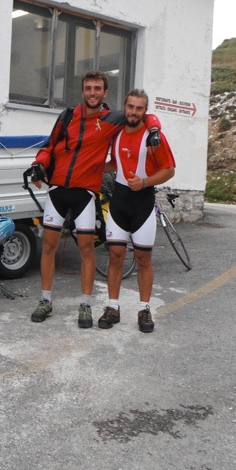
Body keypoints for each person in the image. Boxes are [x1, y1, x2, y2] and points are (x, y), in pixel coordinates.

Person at [27, 71, 161, 328]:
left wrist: (154, 129)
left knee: (87, 250)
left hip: (85, 193)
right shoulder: (67, 116)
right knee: (48, 247)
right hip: (57, 190)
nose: (92, 92)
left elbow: (142, 115)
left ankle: (86, 305)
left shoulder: (112, 119)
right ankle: (45, 300)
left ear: (105, 93)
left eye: (97, 88)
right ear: (83, 91)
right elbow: (49, 147)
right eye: (88, 88)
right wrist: (38, 165)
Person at [98, 89, 176, 333]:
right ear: (125, 106)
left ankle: (144, 309)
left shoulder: (154, 137)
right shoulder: (117, 133)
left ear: (145, 111)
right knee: (115, 257)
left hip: (142, 202)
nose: (133, 112)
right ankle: (112, 307)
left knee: (143, 259)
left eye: (139, 108)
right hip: (119, 202)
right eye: (130, 107)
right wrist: (93, 166)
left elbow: (169, 169)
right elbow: (116, 163)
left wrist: (144, 182)